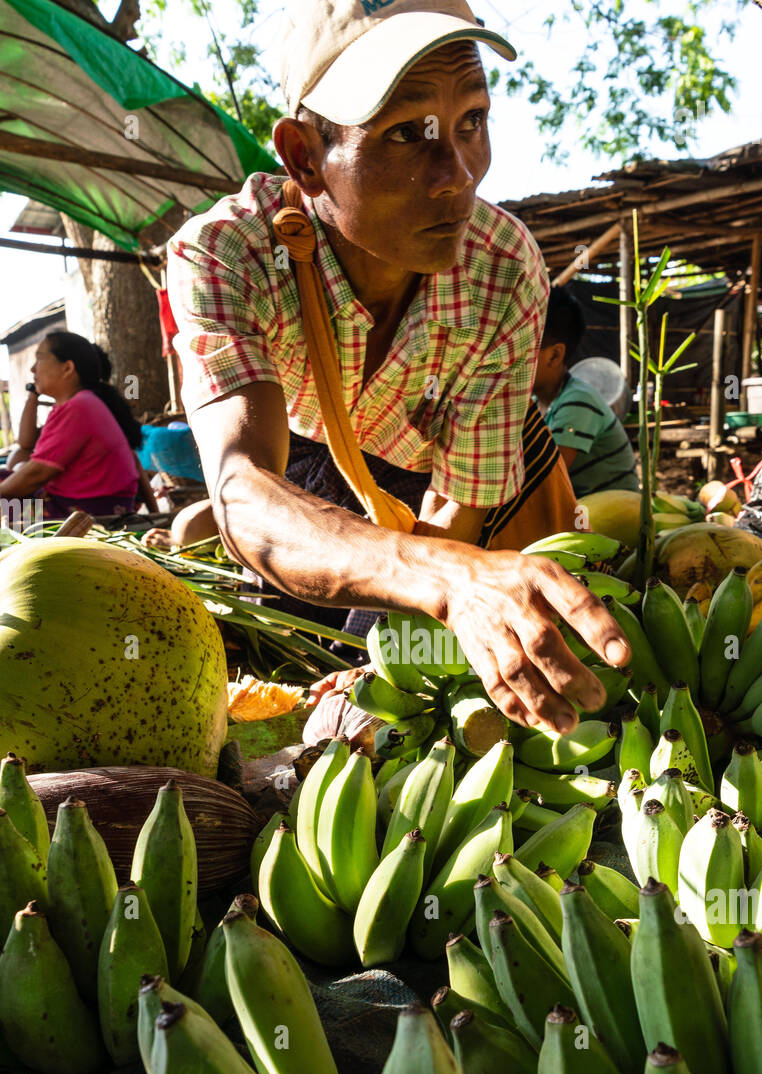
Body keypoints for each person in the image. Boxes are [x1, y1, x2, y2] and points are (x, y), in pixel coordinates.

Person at [167, 0, 629, 733]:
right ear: (303, 158)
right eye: (407, 132)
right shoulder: (228, 256)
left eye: (470, 120)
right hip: (312, 474)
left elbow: (459, 512)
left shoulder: (504, 268)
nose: (455, 175)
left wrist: (402, 637)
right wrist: (448, 582)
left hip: (449, 495)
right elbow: (245, 490)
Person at [0, 332, 153, 519]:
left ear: (67, 368)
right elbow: (28, 450)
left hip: (88, 512)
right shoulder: (81, 404)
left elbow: (37, 473)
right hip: (98, 505)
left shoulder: (79, 407)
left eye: (39, 358)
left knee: (9, 495)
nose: (33, 369)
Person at [534, 286, 640, 498]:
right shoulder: (536, 402)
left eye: (520, 349)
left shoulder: (578, 401)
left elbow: (543, 483)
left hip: (609, 524)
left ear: (554, 356)